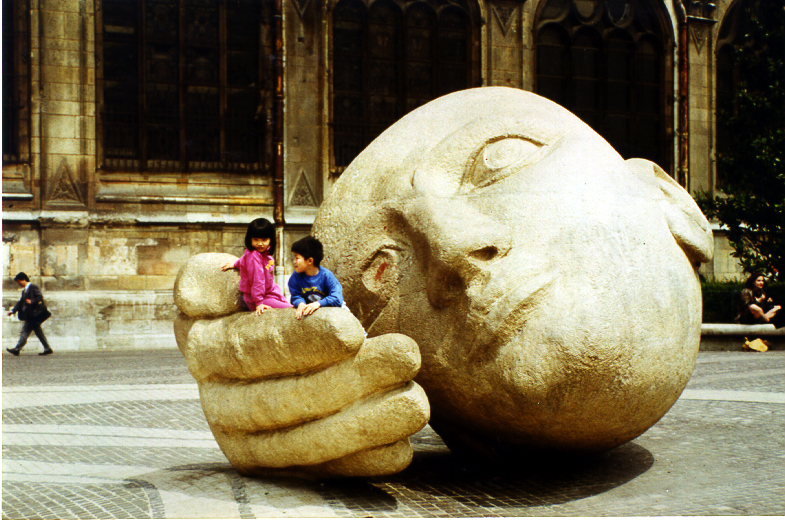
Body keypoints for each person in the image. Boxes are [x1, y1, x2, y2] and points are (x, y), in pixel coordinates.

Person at [222, 218, 292, 315]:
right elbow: (257, 280)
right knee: (291, 310)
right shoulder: (254, 256)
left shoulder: (264, 255)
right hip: (258, 298)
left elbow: (243, 260)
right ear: (249, 239)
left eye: (264, 240)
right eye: (256, 239)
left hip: (270, 293)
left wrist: (235, 264)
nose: (260, 243)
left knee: (289, 307)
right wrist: (259, 303)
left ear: (270, 239)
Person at [288, 235, 344, 320]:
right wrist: (300, 303)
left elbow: (337, 298)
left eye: (297, 258)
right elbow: (295, 295)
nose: (294, 261)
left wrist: (318, 303)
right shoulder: (295, 277)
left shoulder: (327, 276)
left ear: (310, 261)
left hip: (333, 310)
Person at [7, 272, 53, 356]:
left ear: (23, 279)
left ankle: (17, 349)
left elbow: (39, 297)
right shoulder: (25, 290)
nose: (18, 284)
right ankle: (47, 348)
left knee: (25, 332)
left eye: (18, 281)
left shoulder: (33, 287)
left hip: (34, 315)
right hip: (30, 315)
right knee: (39, 333)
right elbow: (21, 302)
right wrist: (13, 311)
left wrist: (32, 301)